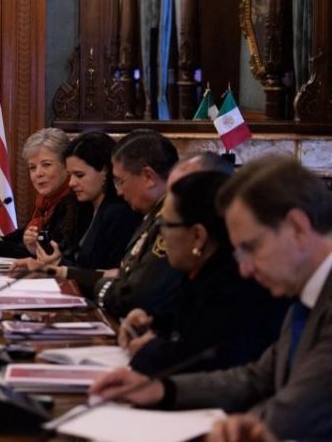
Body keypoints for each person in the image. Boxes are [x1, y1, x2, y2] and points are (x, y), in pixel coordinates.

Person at [90, 156, 332, 440]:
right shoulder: (305, 294)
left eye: (251, 247)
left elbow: (295, 412)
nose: (244, 268)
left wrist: (239, 427)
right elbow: (255, 377)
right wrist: (161, 389)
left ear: (298, 229)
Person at [118, 171, 287, 375]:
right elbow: (186, 322)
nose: (160, 234)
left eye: (165, 225)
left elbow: (206, 358)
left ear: (198, 236)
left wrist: (148, 351)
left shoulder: (234, 281)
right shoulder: (201, 270)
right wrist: (151, 323)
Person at [91, 129, 181, 319]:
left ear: (148, 177)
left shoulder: (173, 220)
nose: (119, 192)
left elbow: (138, 296)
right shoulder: (153, 214)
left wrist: (103, 286)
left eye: (120, 181)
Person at [34, 131, 140, 281]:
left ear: (104, 172)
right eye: (70, 175)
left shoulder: (119, 213)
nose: (71, 183)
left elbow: (107, 275)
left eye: (79, 175)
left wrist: (59, 264)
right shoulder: (80, 206)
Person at [0, 128, 90, 266]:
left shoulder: (74, 201)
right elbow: (28, 233)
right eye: (32, 167)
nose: (38, 173)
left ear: (66, 166)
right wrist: (2, 239)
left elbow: (48, 251)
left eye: (46, 165)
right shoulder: (45, 201)